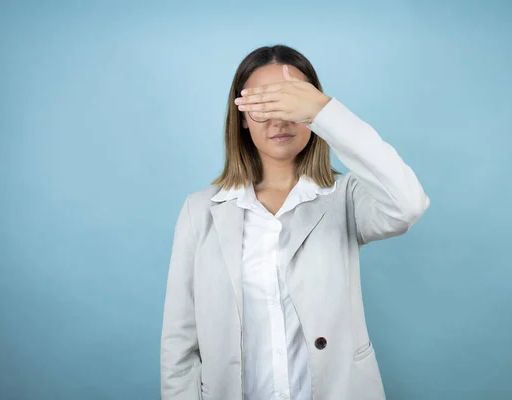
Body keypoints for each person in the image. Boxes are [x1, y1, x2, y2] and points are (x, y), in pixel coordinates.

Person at [160, 44, 430, 400]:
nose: (278, 118)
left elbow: (408, 204)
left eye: (289, 102)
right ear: (241, 116)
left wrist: (323, 111)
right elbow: (180, 342)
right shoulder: (201, 210)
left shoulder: (345, 198)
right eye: (262, 104)